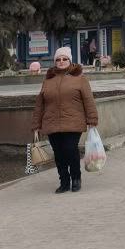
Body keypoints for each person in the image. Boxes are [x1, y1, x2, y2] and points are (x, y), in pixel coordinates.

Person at [31, 46, 98, 194]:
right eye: (58, 59)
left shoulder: (80, 79)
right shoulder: (48, 80)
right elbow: (40, 104)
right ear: (55, 62)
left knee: (70, 149)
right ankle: (64, 181)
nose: (61, 61)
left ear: (70, 61)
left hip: (73, 122)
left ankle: (76, 178)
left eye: (64, 59)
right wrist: (36, 124)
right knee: (59, 153)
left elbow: (88, 100)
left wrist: (92, 119)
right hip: (52, 122)